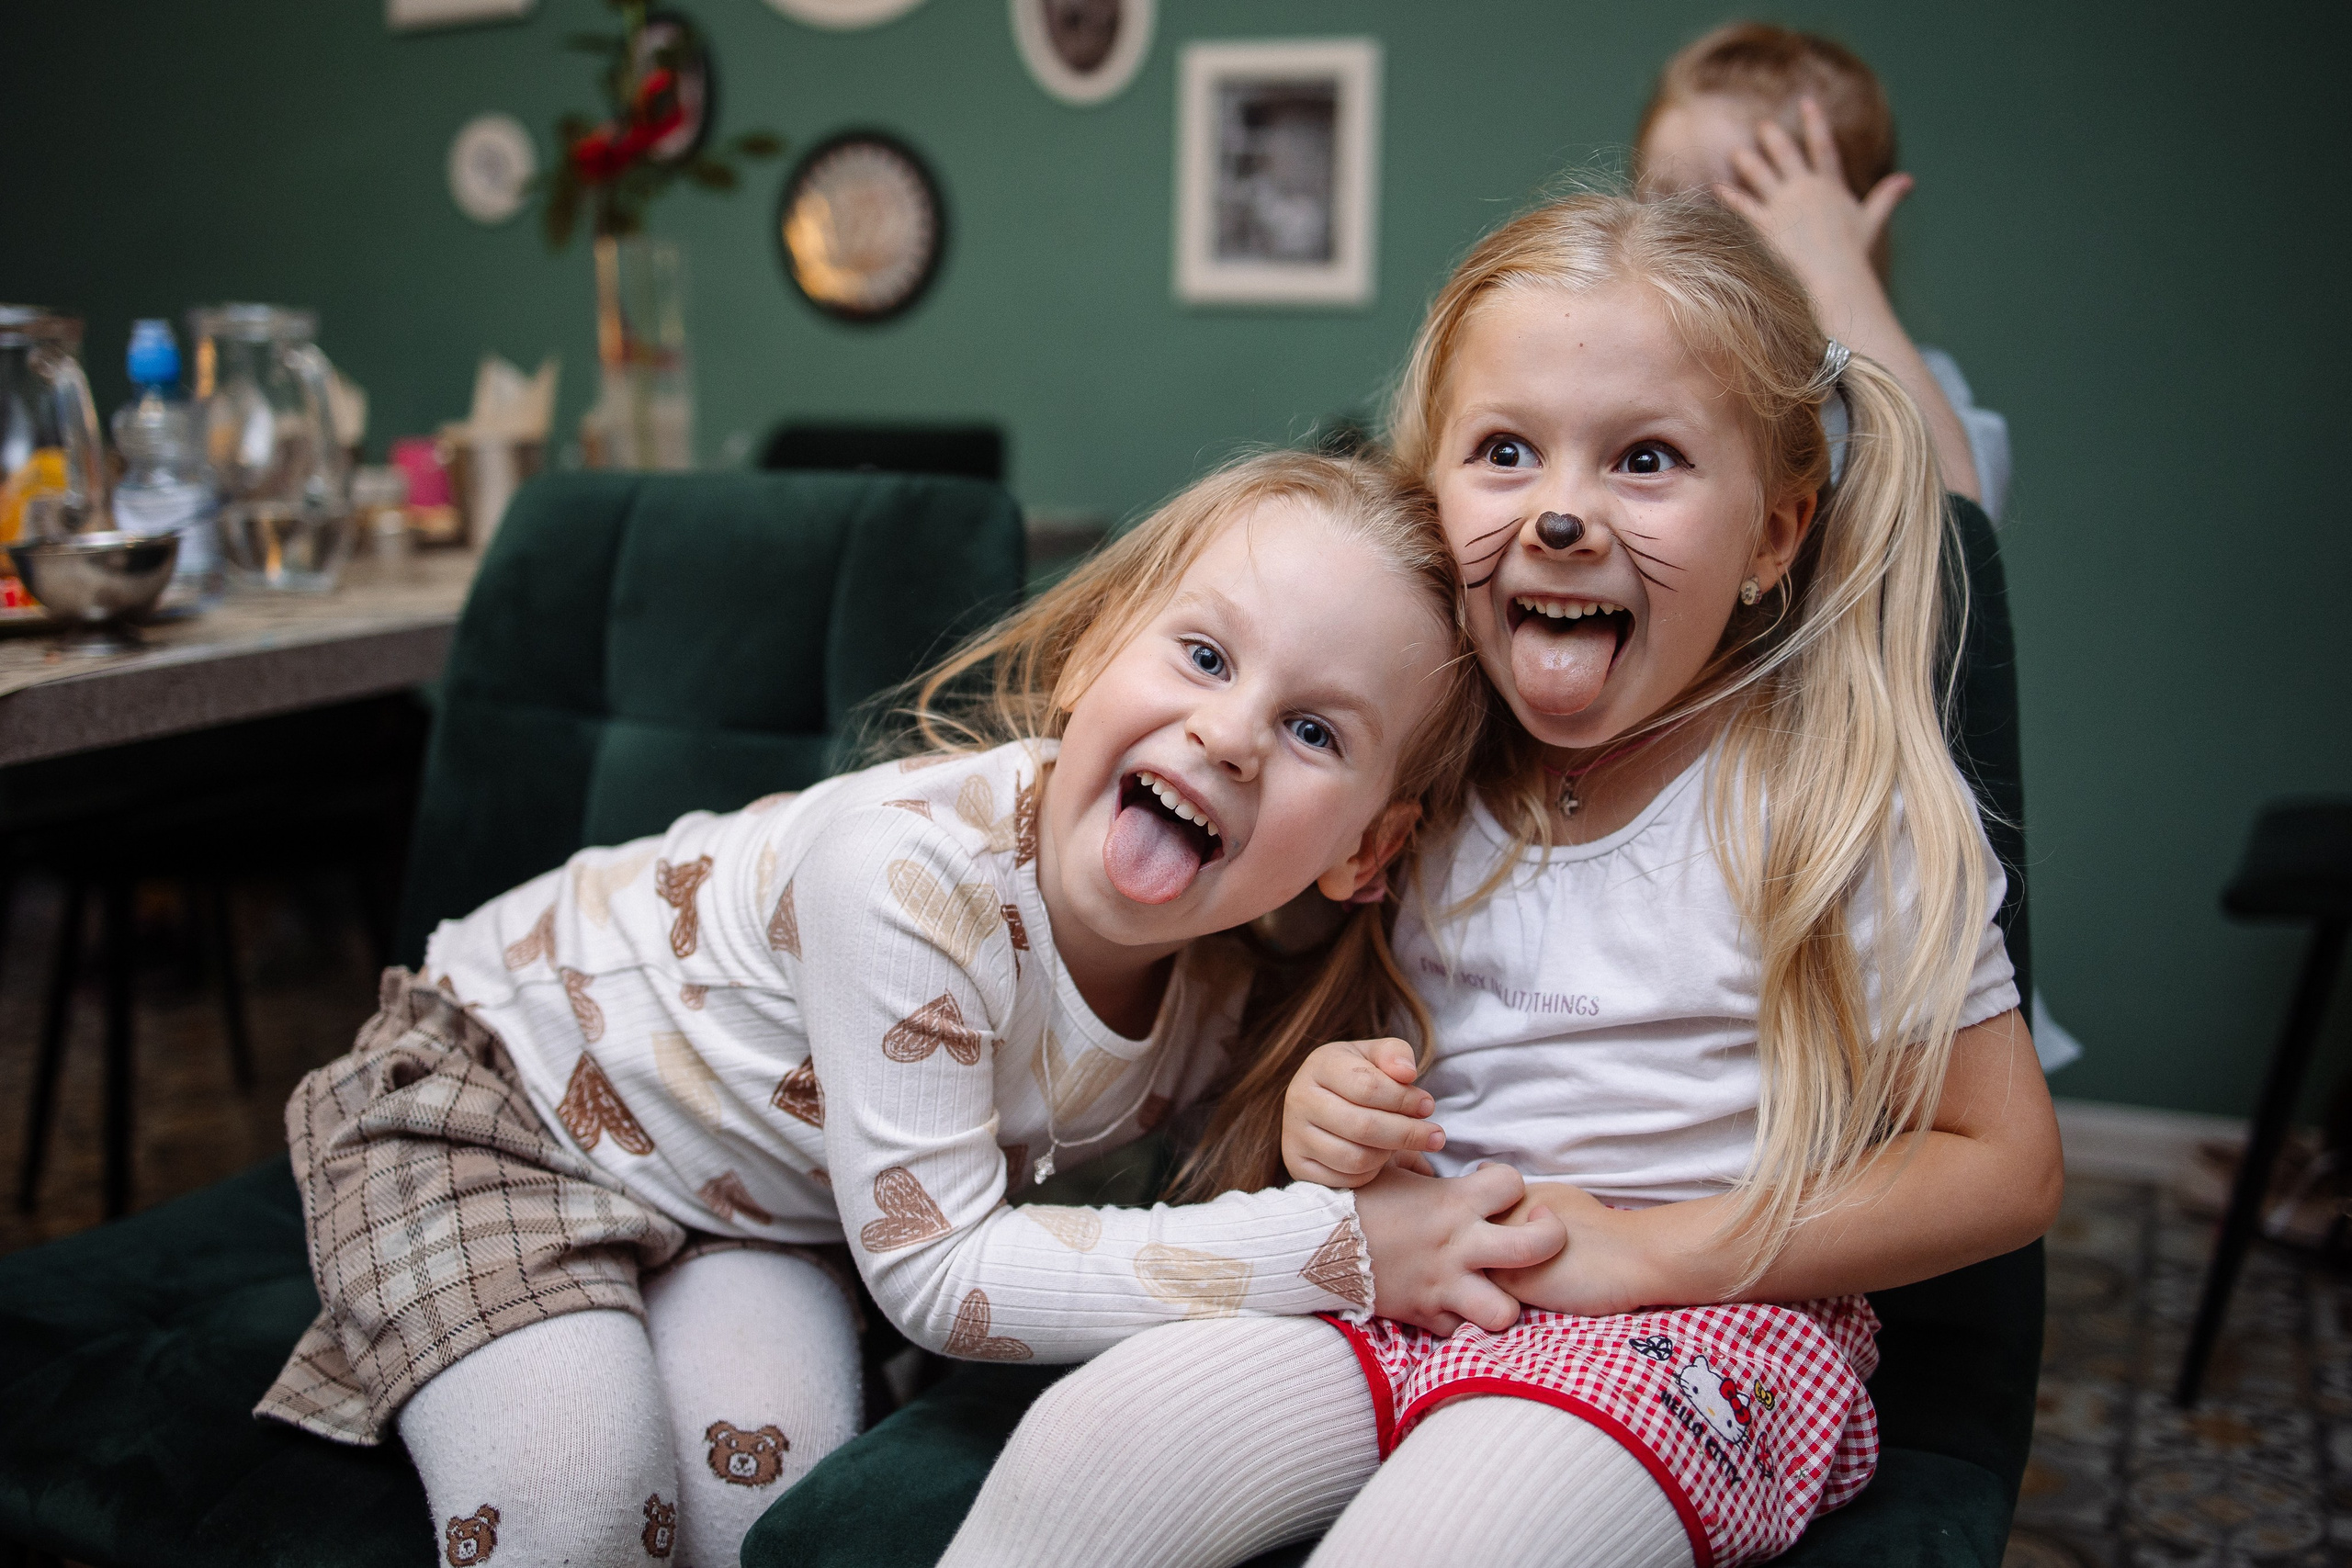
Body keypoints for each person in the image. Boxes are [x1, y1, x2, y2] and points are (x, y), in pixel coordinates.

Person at [938, 192, 2063, 1568]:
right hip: (1407, 1266)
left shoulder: (1832, 795)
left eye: (1644, 459)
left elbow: (2005, 1165)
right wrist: (1327, 1113)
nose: (1563, 515)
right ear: (1435, 492)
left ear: (1774, 533)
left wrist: (1646, 1258)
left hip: (1696, 1325)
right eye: (1506, 450)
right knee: (1083, 1450)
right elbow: (1369, 1038)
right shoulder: (1418, 768)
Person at [254, 451, 1568, 1568]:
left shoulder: (1228, 987)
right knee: (581, 1507)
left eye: (1316, 733)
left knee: (773, 1513)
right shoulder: (902, 870)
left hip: (760, 1202)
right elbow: (944, 1273)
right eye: (1207, 654)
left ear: (1366, 852)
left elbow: (1243, 1165)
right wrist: (1343, 1244)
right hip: (503, 1101)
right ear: (1094, 653)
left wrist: (1331, 1131)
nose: (1229, 734)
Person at [1635, 20, 2012, 521]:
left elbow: (1953, 526)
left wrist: (1839, 276)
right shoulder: (1625, 364)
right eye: (1659, 203)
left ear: (1844, 236)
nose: (1688, 241)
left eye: (1732, 215)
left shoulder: (1900, 390)